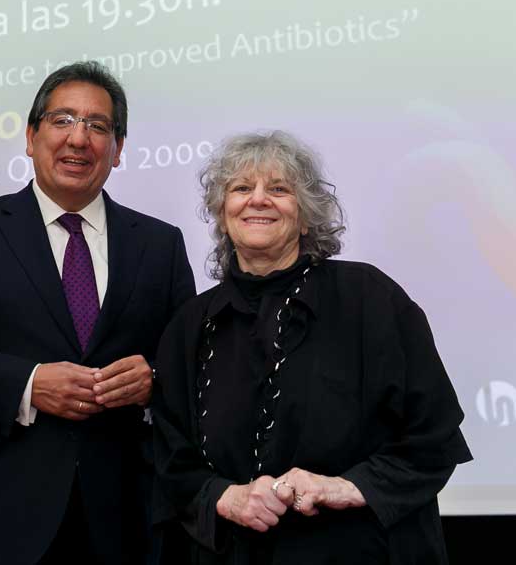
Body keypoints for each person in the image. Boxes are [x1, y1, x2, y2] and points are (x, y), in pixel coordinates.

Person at [0, 61, 196, 565]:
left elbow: (192, 365)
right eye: (62, 120)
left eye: (97, 125)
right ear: (31, 136)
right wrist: (29, 384)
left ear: (118, 149)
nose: (78, 138)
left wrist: (155, 379)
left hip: (125, 517)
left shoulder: (160, 245)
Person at [151, 131, 472, 564]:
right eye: (242, 188)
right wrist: (227, 497)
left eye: (279, 189)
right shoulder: (189, 325)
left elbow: (434, 436)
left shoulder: (371, 299)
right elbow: (171, 457)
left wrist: (344, 487)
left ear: (306, 217)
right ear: (222, 215)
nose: (258, 200)